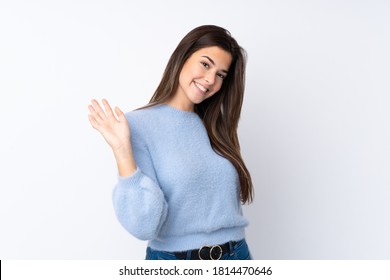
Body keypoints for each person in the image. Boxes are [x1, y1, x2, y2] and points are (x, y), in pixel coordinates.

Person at [88, 25, 254, 260]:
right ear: (183, 56)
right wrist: (122, 150)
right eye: (205, 64)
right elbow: (144, 226)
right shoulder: (137, 125)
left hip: (235, 255)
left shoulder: (216, 126)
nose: (210, 80)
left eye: (220, 75)